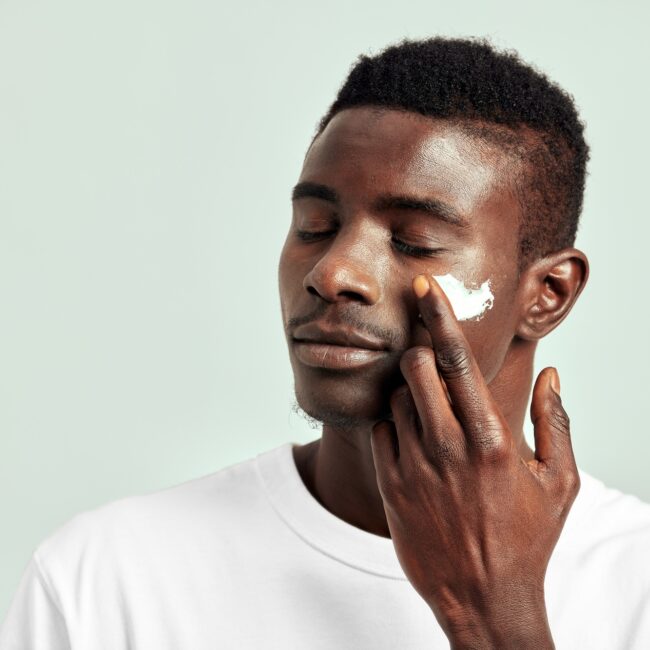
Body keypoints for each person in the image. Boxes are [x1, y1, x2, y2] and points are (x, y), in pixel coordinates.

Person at [2, 36, 649, 650]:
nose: (332, 273)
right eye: (316, 226)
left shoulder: (634, 581)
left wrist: (494, 616)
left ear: (549, 294)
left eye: (413, 242)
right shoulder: (103, 579)